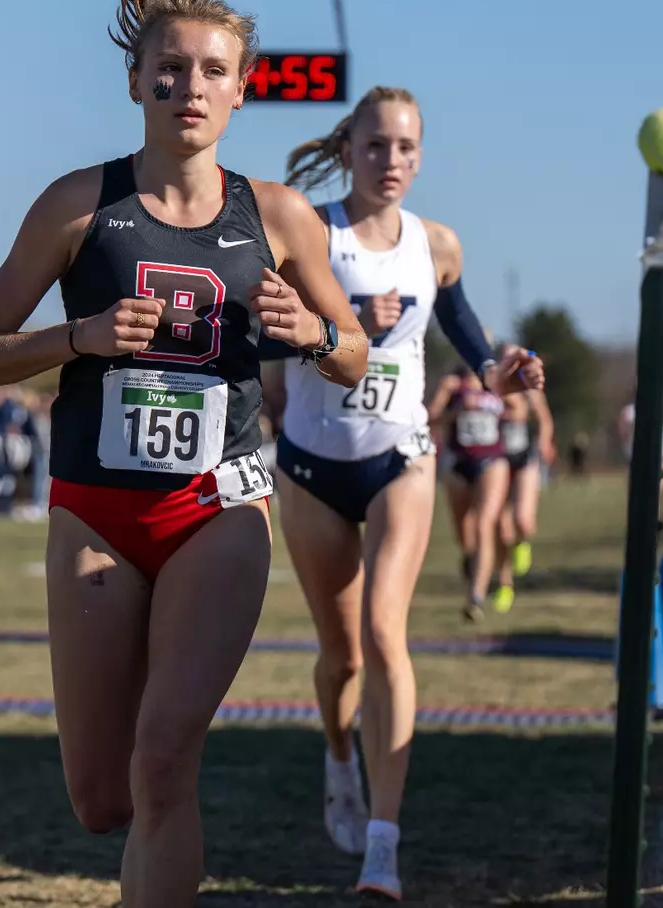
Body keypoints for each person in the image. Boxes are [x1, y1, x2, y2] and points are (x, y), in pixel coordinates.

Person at [0, 0, 369, 908]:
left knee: (165, 759)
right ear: (136, 80)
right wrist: (81, 335)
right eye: (171, 68)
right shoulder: (76, 204)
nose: (191, 87)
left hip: (218, 508)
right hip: (95, 513)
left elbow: (354, 353)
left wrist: (311, 331)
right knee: (104, 797)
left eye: (213, 71)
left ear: (241, 91)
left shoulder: (279, 216)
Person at [261, 87, 545, 899]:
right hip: (313, 466)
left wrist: (498, 370)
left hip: (401, 459)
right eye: (377, 145)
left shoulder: (437, 244)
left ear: (422, 157)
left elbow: (462, 328)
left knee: (386, 634)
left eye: (407, 147)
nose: (392, 160)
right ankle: (338, 758)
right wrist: (348, 316)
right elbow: (264, 332)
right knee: (341, 658)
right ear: (348, 149)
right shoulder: (310, 234)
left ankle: (383, 846)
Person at [430, 363, 513, 620]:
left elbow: (520, 411)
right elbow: (431, 418)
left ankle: (476, 596)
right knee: (463, 530)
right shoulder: (453, 386)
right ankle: (471, 559)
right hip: (459, 462)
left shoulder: (496, 382)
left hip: (492, 461)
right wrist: (455, 406)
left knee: (484, 523)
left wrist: (498, 401)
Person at [494, 365, 557, 608]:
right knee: (501, 527)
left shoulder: (531, 391)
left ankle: (522, 542)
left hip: (525, 459)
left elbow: (545, 419)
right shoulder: (493, 385)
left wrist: (544, 441)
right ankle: (504, 584)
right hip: (497, 459)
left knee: (523, 520)